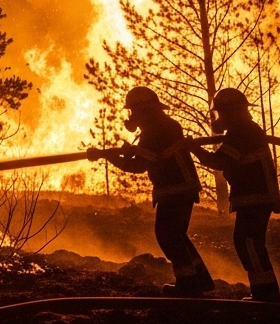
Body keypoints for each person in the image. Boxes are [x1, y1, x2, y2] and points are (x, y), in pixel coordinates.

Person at [89, 86, 213, 297]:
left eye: (133, 111)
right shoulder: (163, 126)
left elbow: (139, 166)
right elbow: (150, 156)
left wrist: (105, 155)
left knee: (168, 236)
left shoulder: (154, 131)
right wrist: (130, 152)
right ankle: (200, 279)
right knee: (176, 235)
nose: (131, 116)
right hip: (181, 187)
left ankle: (189, 285)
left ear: (143, 110)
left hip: (174, 188)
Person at [191, 88, 280, 303]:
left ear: (232, 112)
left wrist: (195, 149)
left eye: (221, 113)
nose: (219, 118)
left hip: (256, 196)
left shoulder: (242, 131)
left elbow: (220, 161)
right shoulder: (244, 130)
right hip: (252, 196)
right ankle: (264, 291)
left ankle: (266, 293)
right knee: (247, 241)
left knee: (248, 242)